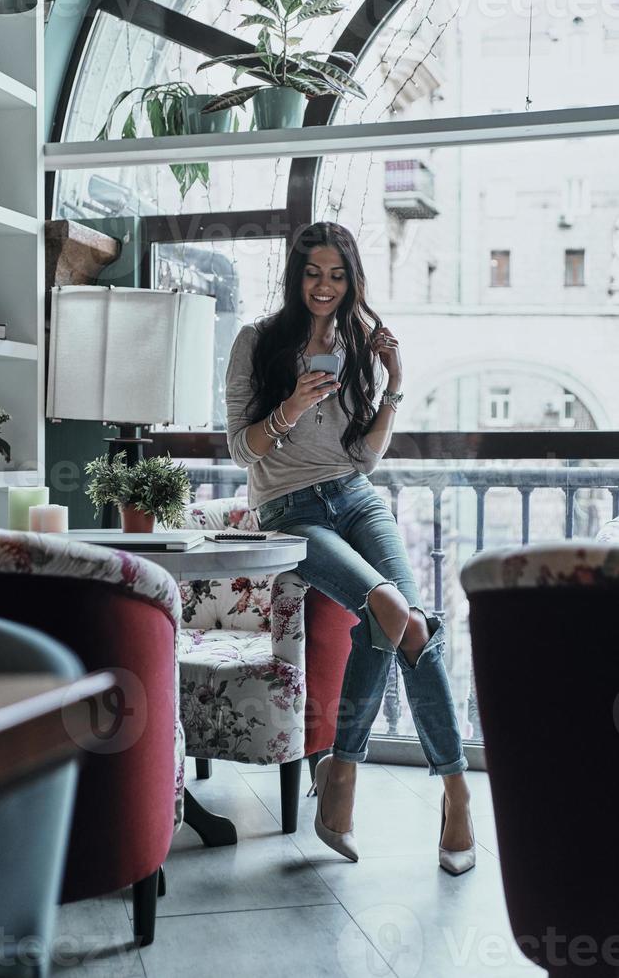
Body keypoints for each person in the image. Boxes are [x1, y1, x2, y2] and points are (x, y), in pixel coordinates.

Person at [225, 221, 474, 873]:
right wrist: (290, 406)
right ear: (295, 275)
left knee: (405, 624)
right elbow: (238, 448)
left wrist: (393, 381)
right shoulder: (257, 341)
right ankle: (360, 777)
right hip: (287, 510)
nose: (324, 287)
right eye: (313, 273)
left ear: (352, 280)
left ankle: (451, 795)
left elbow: (362, 457)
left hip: (355, 498)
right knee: (396, 614)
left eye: (337, 275)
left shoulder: (359, 344)